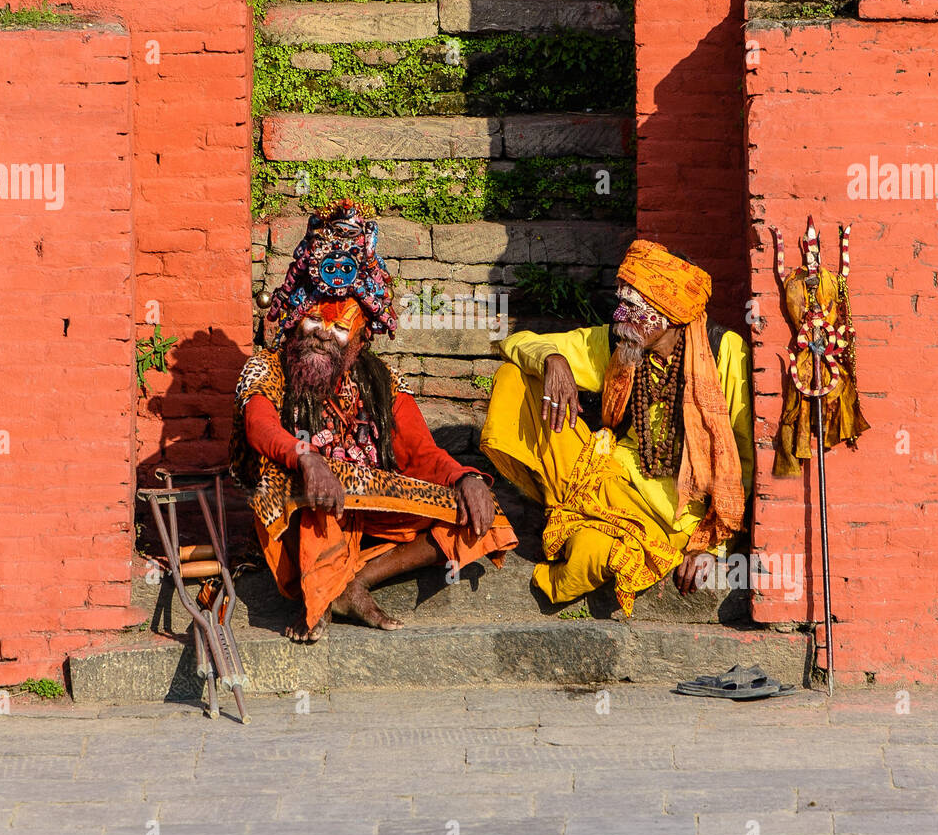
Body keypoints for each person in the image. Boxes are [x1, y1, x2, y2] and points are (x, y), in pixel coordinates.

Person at [229, 200, 517, 642]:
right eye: (312, 319)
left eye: (340, 326)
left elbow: (421, 452)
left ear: (362, 340)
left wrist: (463, 476)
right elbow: (259, 426)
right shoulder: (268, 367)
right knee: (308, 492)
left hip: (366, 506)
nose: (323, 333)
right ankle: (320, 593)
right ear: (293, 319)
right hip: (306, 508)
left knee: (480, 512)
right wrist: (304, 456)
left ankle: (352, 583)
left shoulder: (382, 381)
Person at [480, 239, 753, 615]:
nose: (620, 316)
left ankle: (577, 536)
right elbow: (518, 342)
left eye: (633, 308)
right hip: (610, 475)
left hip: (674, 517)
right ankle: (567, 508)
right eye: (620, 304)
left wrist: (713, 547)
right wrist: (554, 359)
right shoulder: (618, 341)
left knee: (588, 557)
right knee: (516, 376)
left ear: (670, 313)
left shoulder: (725, 352)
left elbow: (743, 462)